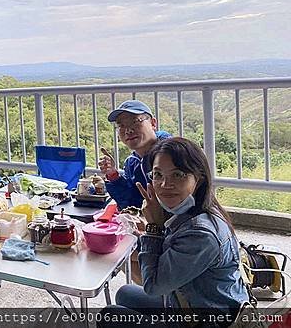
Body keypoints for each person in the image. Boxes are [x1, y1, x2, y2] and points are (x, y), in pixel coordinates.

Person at [100, 137, 248, 327]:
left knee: (110, 315)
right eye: (158, 174)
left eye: (178, 175)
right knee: (124, 293)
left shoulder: (201, 233)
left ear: (199, 178)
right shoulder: (192, 210)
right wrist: (153, 229)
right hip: (190, 300)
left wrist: (153, 229)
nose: (164, 184)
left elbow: (153, 286)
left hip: (206, 320)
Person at [100, 100, 171, 210]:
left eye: (135, 122)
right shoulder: (132, 162)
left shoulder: (172, 155)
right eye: (121, 125)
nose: (128, 130)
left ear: (153, 123)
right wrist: (113, 174)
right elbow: (131, 203)